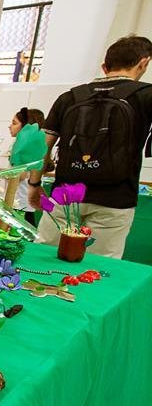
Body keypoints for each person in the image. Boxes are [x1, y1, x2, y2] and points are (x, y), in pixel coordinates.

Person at [28, 35, 152, 258]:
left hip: (64, 195)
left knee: (42, 258)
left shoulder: (70, 97)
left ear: (105, 67)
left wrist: (34, 183)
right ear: (144, 63)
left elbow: (43, 145)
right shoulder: (145, 95)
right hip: (115, 200)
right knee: (99, 266)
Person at [6, 107, 46, 227]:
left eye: (14, 123)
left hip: (20, 203)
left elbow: (20, 174)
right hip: (24, 202)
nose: (10, 126)